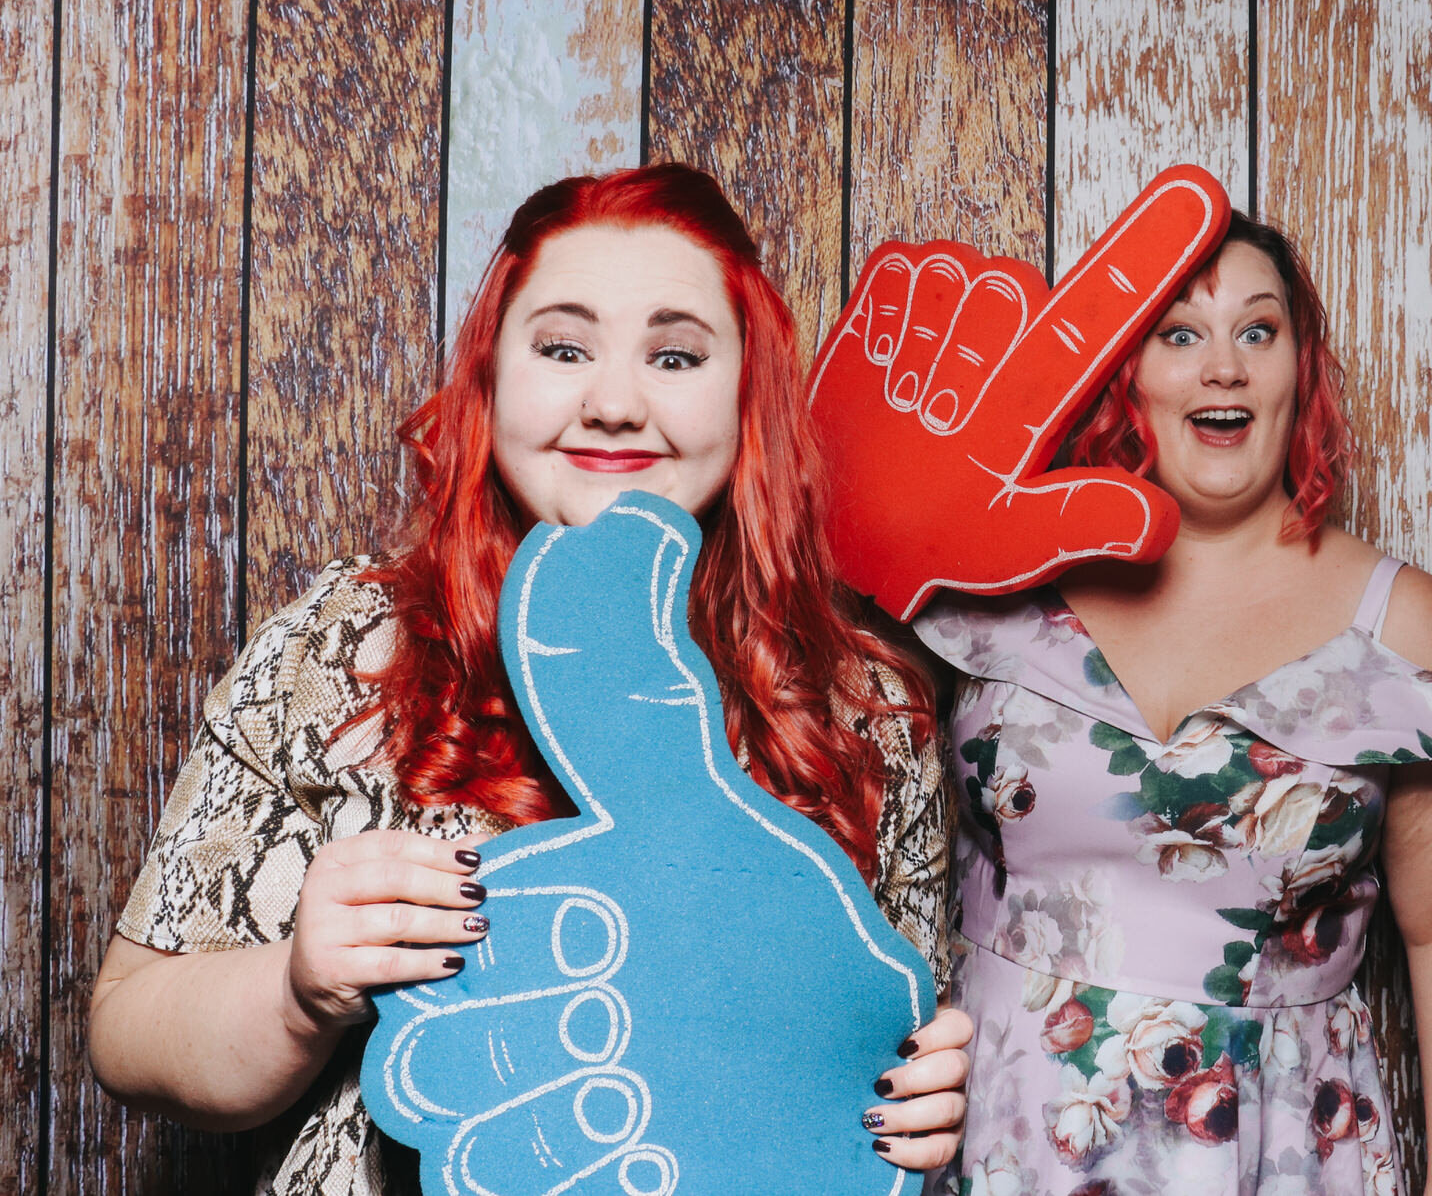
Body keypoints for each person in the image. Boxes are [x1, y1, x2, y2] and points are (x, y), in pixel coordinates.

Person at [87, 163, 972, 1193]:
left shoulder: (863, 701)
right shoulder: (344, 647)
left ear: (747, 398)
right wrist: (297, 990)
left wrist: (918, 1089)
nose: (610, 401)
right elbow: (127, 1033)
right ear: (493, 379)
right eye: (562, 347)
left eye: (675, 354)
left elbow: (906, 1038)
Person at [911, 214, 1432, 1193]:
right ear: (1124, 370)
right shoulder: (1002, 594)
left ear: (1298, 367)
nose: (1223, 368)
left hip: (1272, 1151)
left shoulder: (1399, 628)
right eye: (1180, 333)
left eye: (1257, 330)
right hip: (1003, 1136)